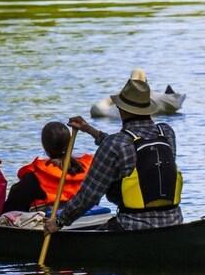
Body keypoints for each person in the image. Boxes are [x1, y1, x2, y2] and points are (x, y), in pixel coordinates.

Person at [47, 69, 183, 233]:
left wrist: (59, 222)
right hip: (174, 224)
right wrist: (90, 130)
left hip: (131, 227)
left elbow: (89, 196)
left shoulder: (115, 145)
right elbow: (132, 151)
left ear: (122, 110)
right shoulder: (167, 133)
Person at [3, 122, 94, 213]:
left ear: (44, 145)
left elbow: (11, 210)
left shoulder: (34, 177)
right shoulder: (90, 168)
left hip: (53, 222)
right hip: (87, 217)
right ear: (69, 143)